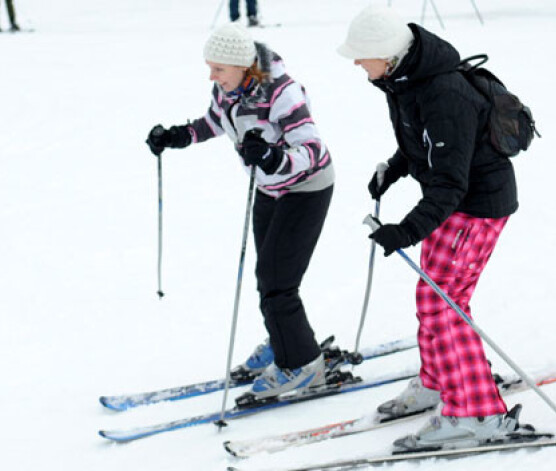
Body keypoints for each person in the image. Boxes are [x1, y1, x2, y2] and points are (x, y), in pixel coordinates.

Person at [338, 6, 523, 451]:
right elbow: (422, 140)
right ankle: (439, 382)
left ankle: (478, 413)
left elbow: (450, 181)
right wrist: (397, 168)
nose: (357, 64)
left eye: (362, 56)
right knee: (434, 296)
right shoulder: (403, 79)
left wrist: (405, 231)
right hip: (455, 199)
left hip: (475, 205)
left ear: (387, 53)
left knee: (445, 302)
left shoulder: (444, 93)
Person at [146, 23, 335, 399]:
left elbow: (310, 150)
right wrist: (177, 136)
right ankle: (285, 339)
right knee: (269, 276)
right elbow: (216, 121)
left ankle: (302, 365)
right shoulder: (228, 88)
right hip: (269, 189)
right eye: (209, 68)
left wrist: (271, 155)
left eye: (218, 69)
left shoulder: (283, 93)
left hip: (306, 188)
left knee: (276, 280)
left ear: (242, 66)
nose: (211, 76)